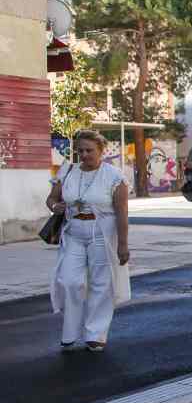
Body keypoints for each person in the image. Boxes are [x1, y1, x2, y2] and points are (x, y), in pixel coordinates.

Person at [47, 130, 131, 352]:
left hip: (102, 234)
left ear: (101, 151)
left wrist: (123, 244)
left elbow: (122, 212)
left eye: (89, 150)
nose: (84, 154)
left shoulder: (114, 176)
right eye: (80, 150)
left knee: (101, 284)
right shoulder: (68, 171)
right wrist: (56, 206)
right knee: (69, 281)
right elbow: (52, 198)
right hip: (73, 233)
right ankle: (70, 332)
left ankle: (95, 334)